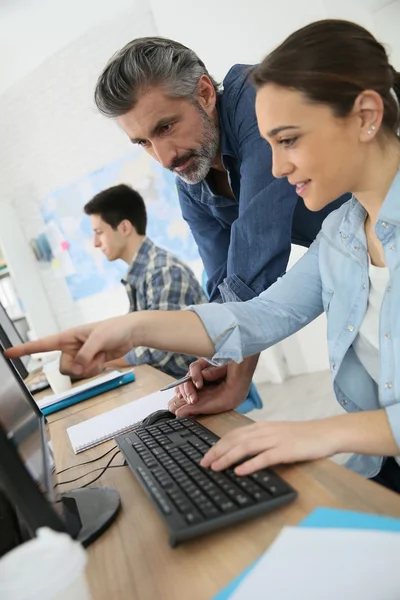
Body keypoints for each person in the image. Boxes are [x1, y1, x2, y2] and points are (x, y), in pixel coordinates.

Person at [7, 20, 400, 491]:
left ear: (364, 117)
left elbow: (255, 270)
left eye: (288, 140)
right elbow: (254, 312)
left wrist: (317, 435)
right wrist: (128, 328)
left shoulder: (252, 104)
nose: (274, 168)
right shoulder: (340, 234)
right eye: (142, 143)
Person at [93, 36, 349, 415]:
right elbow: (224, 285)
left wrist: (221, 348)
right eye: (144, 142)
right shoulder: (191, 183)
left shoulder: (259, 100)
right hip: (352, 257)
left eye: (165, 127)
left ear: (205, 92)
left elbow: (257, 249)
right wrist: (224, 367)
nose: (163, 158)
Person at [83, 183, 207, 378]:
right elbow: (133, 335)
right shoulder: (140, 273)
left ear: (124, 227)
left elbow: (159, 347)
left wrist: (98, 363)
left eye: (99, 232)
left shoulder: (163, 271)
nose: (95, 243)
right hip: (168, 381)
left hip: (192, 384)